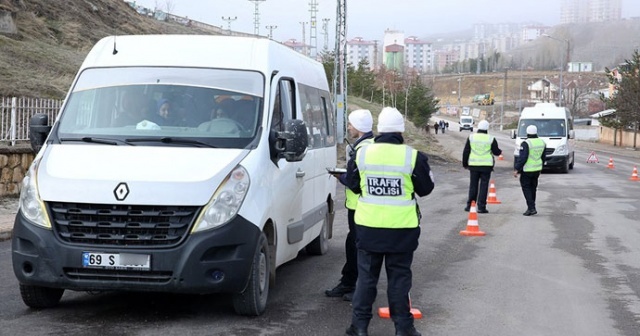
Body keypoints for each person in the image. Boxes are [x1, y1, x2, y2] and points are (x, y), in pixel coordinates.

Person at [344, 107, 435, 336]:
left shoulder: (362, 154)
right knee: (399, 281)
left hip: (368, 229)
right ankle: (403, 328)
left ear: (379, 130)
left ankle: (359, 327)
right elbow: (425, 189)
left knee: (366, 279)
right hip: (401, 231)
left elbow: (353, 185)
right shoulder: (412, 156)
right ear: (401, 131)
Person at [326, 109, 374, 302]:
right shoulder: (369, 144)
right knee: (352, 244)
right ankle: (349, 282)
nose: (348, 127)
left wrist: (341, 177)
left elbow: (356, 182)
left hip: (361, 205)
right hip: (361, 205)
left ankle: (357, 288)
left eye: (351, 124)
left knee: (359, 247)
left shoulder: (362, 149)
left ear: (359, 127)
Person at [462, 120, 502, 213]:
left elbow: (466, 151)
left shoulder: (471, 137)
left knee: (473, 185)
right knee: (484, 186)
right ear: (487, 128)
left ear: (478, 127)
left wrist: (465, 164)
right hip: (486, 166)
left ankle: (470, 205)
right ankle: (481, 207)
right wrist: (500, 152)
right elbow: (496, 151)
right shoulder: (491, 138)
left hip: (474, 165)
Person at [514, 125, 547, 216]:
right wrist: (541, 167)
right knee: (533, 188)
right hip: (537, 169)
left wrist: (517, 168)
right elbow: (543, 157)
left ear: (527, 133)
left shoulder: (526, 143)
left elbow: (523, 158)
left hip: (527, 169)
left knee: (526, 188)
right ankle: (531, 207)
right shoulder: (542, 142)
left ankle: (531, 208)